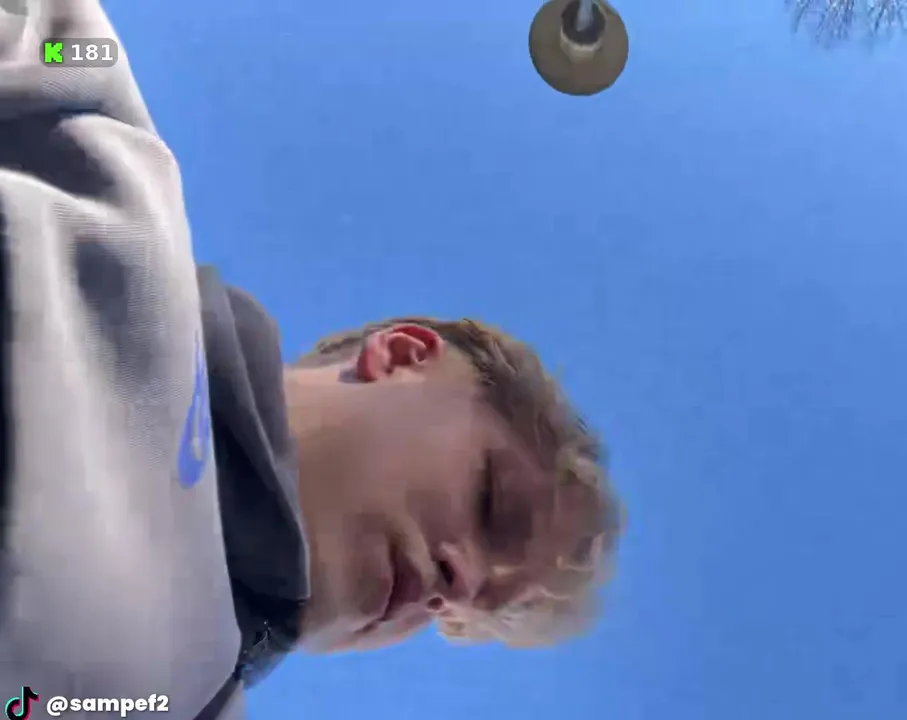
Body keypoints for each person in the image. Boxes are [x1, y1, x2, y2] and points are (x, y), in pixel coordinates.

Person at [0, 2, 622, 718]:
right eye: (492, 505)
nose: (457, 581)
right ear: (403, 354)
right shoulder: (108, 171)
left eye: (469, 610)